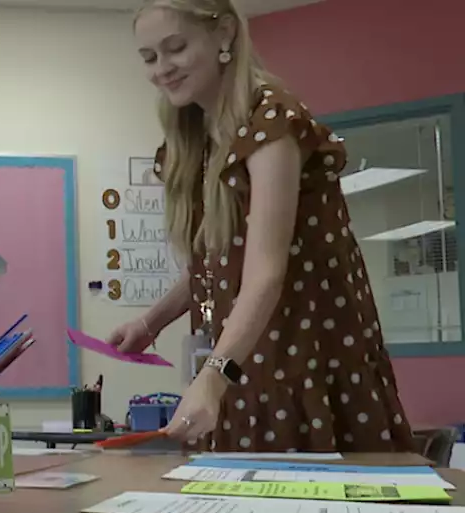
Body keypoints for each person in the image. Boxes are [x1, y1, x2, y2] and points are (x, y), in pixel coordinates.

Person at [109, 0, 416, 453]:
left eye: (175, 48)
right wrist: (150, 321)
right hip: (243, 362)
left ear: (225, 34)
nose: (162, 69)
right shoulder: (198, 136)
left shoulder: (272, 120)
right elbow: (220, 261)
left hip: (300, 361)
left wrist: (213, 376)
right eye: (149, 57)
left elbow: (265, 273)